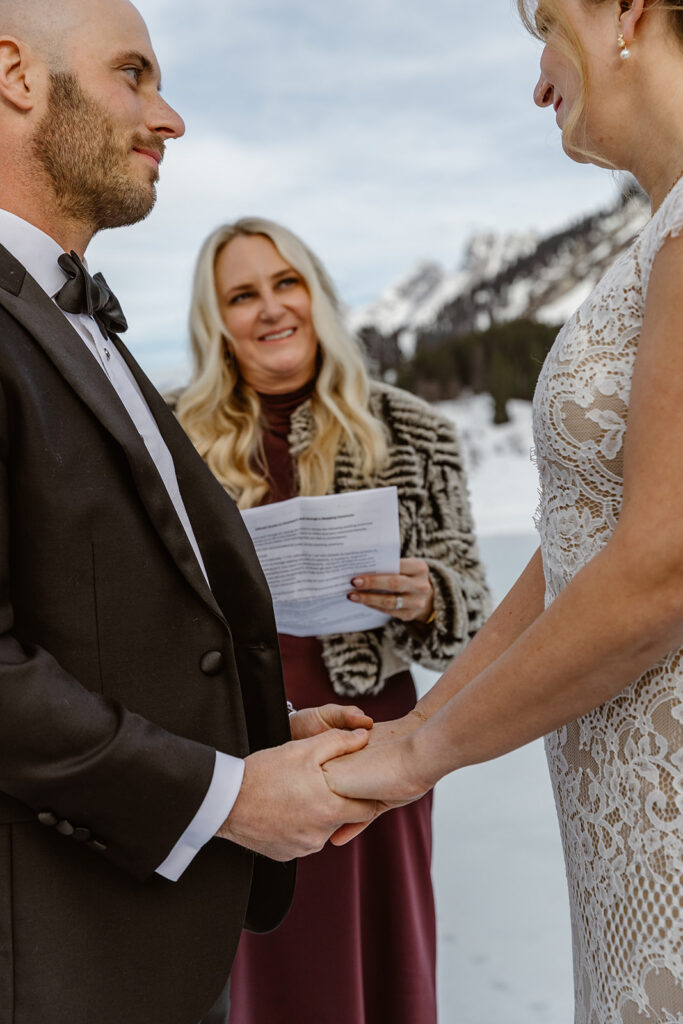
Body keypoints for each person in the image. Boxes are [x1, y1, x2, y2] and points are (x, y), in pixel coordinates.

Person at [0, 3, 379, 1023]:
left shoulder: (82, 324)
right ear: (16, 76)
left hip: (153, 949)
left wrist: (255, 732)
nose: (169, 118)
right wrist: (227, 795)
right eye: (135, 75)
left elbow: (88, 613)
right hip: (51, 962)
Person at [325, 1, 683, 1021]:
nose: (535, 81)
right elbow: (585, 542)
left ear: (624, 11)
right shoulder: (652, 234)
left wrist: (418, 754)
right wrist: (413, 734)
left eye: (542, 26)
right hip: (628, 822)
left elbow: (658, 565)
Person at [174, 217, 490, 1024]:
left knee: (381, 952)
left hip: (371, 731)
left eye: (286, 283)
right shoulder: (174, 438)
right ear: (216, 322)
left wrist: (430, 597)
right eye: (241, 295)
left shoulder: (414, 430)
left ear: (316, 294)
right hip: (238, 740)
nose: (270, 308)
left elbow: (471, 612)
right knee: (268, 964)